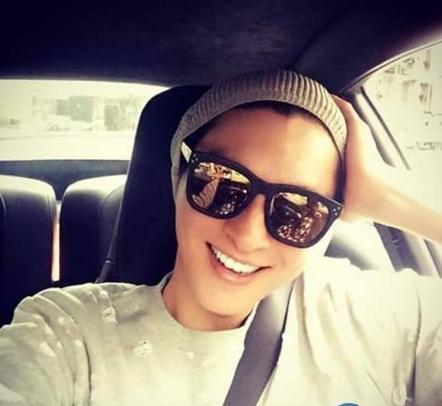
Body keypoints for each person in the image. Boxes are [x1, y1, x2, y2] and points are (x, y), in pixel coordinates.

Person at [0, 70, 441, 405]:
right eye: (222, 183)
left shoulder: (375, 317)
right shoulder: (67, 333)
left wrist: (393, 195)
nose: (247, 235)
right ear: (179, 178)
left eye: (298, 211)